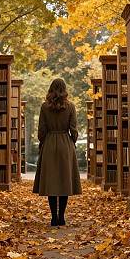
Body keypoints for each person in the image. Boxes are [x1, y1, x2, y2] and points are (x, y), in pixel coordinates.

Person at [33, 78, 82, 226]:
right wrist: (72, 141)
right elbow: (73, 129)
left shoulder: (44, 107)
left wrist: (42, 142)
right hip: (65, 145)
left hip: (49, 144)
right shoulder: (71, 106)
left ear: (51, 89)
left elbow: (41, 130)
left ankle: (54, 217)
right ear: (64, 89)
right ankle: (62, 217)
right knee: (64, 181)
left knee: (52, 182)